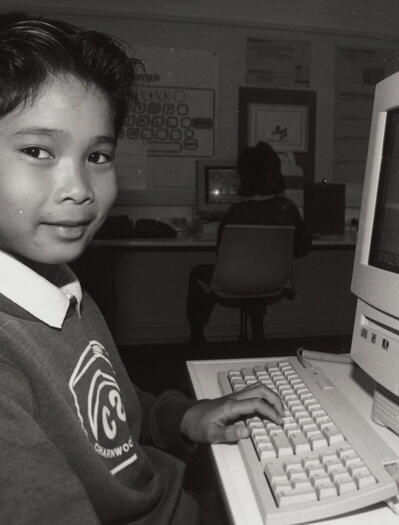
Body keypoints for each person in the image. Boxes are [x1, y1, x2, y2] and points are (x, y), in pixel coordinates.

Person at [0, 12, 284, 524]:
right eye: (38, 150)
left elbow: (107, 414)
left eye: (99, 155)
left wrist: (184, 416)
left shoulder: (60, 288)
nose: (81, 187)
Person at [187, 141, 312, 344]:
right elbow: (303, 248)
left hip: (233, 282)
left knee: (197, 273)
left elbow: (222, 255)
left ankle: (196, 337)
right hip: (273, 283)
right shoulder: (288, 208)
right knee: (259, 271)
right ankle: (258, 332)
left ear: (244, 177)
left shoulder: (236, 212)